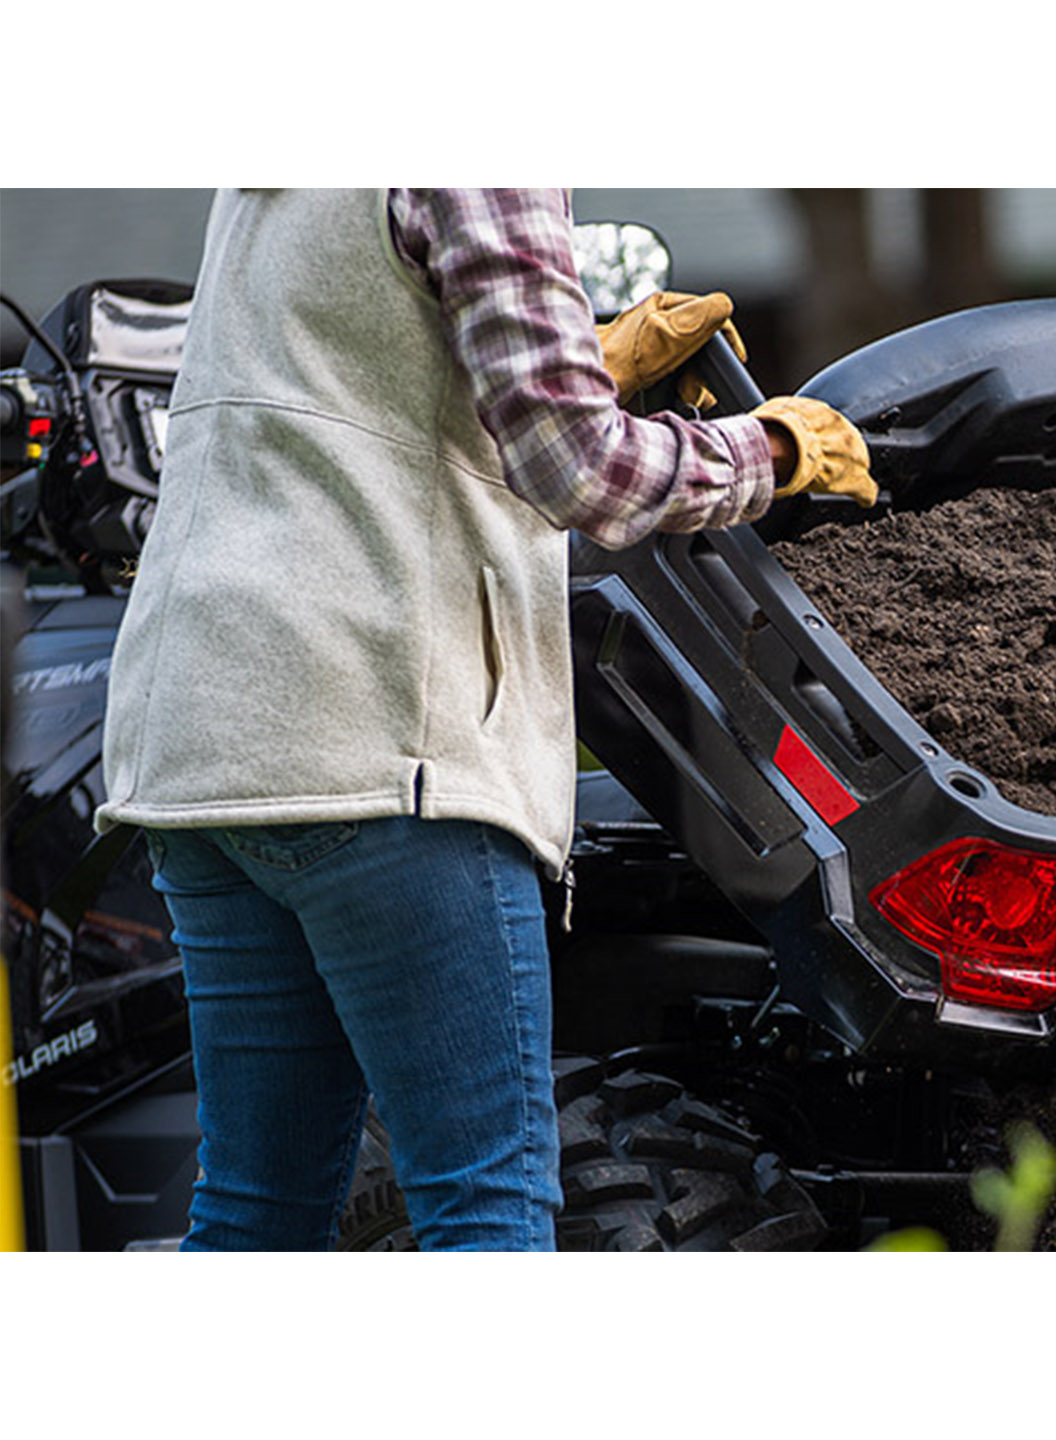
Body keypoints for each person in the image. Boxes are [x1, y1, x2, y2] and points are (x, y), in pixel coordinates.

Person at [96, 188, 875, 1251]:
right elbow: (584, 474)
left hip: (208, 736)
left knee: (254, 1213)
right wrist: (773, 452)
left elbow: (359, 369)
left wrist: (586, 359)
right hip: (381, 740)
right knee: (485, 1201)